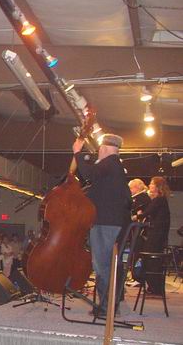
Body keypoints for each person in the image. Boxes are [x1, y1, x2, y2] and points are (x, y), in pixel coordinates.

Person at [73, 134, 131, 316]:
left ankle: (107, 307)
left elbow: (89, 174)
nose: (98, 152)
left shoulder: (109, 163)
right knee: (104, 265)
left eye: (99, 149)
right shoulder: (116, 167)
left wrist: (77, 153)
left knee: (102, 266)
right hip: (110, 222)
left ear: (105, 149)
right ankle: (108, 305)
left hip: (104, 223)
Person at [138, 176, 171, 253]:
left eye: (151, 183)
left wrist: (137, 216)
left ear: (157, 187)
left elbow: (148, 211)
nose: (149, 185)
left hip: (157, 233)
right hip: (158, 233)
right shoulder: (160, 199)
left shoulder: (159, 199)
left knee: (149, 250)